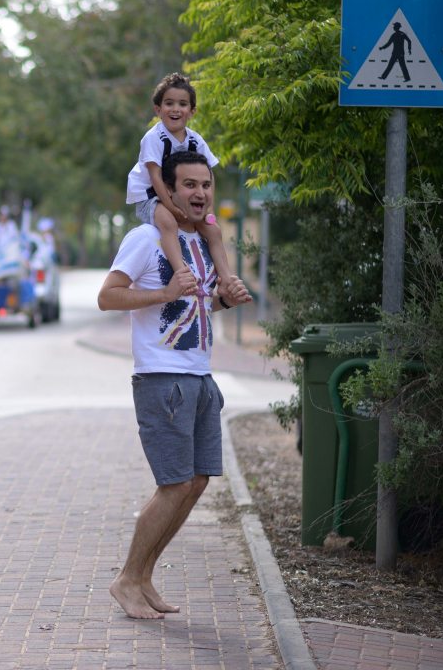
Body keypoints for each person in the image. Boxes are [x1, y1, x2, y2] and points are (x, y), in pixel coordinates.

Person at [98, 151, 252, 620]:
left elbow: (193, 307)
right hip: (162, 379)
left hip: (200, 376)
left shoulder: (202, 242)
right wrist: (165, 291)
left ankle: (143, 576)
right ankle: (127, 579)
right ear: (168, 190)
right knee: (174, 484)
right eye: (188, 184)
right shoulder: (146, 238)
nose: (200, 193)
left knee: (197, 481)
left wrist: (226, 301)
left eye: (206, 184)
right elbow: (107, 296)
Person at [126, 72, 233, 295]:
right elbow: (155, 177)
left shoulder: (196, 140)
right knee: (168, 222)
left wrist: (209, 210)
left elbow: (209, 175)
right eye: (169, 103)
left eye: (182, 104)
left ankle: (226, 279)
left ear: (192, 111)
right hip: (150, 195)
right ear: (158, 109)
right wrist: (172, 208)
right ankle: (182, 274)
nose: (175, 109)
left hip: (178, 194)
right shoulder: (153, 138)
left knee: (213, 230)